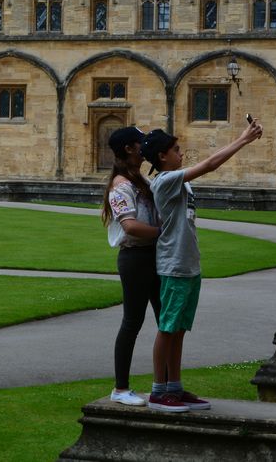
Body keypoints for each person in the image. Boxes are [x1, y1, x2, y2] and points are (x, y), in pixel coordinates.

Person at [140, 120, 263, 412]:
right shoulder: (165, 180)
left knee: (179, 328)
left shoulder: (180, 180)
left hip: (187, 265)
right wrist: (243, 139)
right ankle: (158, 391)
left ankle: (175, 387)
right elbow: (210, 164)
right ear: (162, 157)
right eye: (176, 150)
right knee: (167, 328)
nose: (181, 154)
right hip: (173, 265)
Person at [101, 126, 161, 407]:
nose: (144, 148)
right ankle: (120, 388)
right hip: (135, 259)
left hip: (153, 256)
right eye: (141, 144)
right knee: (132, 322)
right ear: (129, 148)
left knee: (167, 320)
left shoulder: (140, 181)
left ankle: (166, 385)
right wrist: (165, 231)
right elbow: (131, 226)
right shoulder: (121, 186)